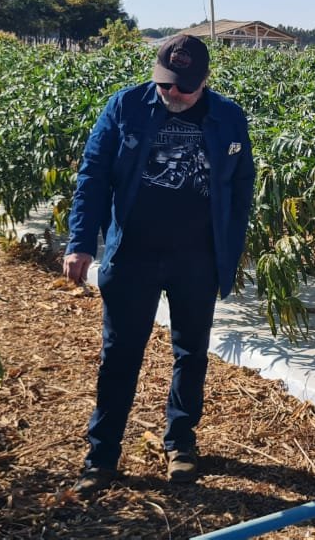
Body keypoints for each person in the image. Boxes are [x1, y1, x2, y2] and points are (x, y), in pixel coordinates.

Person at [63, 34, 255, 496]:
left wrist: (229, 246)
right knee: (120, 355)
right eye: (166, 85)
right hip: (134, 254)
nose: (172, 95)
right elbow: (93, 174)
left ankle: (181, 446)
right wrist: (81, 241)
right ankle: (102, 455)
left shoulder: (227, 116)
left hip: (197, 256)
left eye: (183, 88)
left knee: (191, 353)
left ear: (204, 81)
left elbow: (242, 183)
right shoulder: (125, 106)